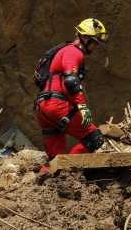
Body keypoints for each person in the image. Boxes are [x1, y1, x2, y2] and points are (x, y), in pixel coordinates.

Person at [35, 18, 108, 171]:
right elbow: (71, 80)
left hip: (43, 109)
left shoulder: (65, 50)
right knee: (95, 139)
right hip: (57, 106)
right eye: (95, 42)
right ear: (85, 37)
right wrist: (83, 107)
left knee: (55, 160)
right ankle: (72, 171)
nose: (96, 46)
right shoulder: (73, 52)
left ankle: (49, 178)